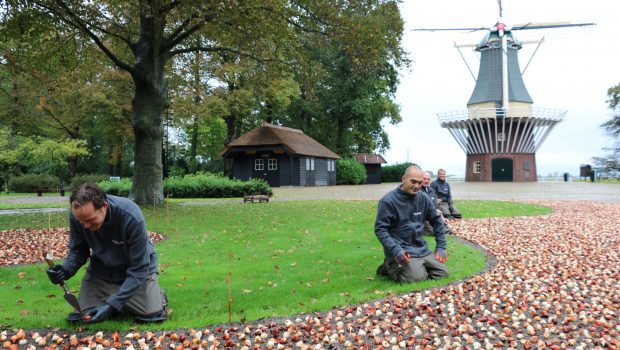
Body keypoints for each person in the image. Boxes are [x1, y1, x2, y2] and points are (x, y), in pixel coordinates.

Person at [46, 183, 167, 324]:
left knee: (150, 316)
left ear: (104, 206)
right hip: (102, 271)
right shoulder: (78, 215)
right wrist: (65, 270)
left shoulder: (131, 216)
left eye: (90, 220)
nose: (85, 226)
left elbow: (139, 268)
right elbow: (79, 251)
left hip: (137, 271)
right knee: (84, 315)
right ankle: (117, 299)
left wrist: (110, 306)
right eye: (81, 221)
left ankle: (158, 296)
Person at [374, 166, 449, 283]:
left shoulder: (423, 198)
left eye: (419, 183)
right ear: (403, 179)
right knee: (417, 278)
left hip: (421, 249)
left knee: (443, 273)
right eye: (413, 182)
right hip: (401, 251)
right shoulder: (388, 201)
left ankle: (414, 268)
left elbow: (437, 220)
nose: (417, 186)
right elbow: (380, 229)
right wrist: (396, 250)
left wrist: (441, 246)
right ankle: (389, 266)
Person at [420, 171, 454, 236]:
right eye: (424, 179)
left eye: (428, 179)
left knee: (446, 229)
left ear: (430, 180)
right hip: (422, 217)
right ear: (420, 179)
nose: (426, 181)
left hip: (432, 215)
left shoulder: (431, 191)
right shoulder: (417, 191)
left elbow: (436, 207)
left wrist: (442, 217)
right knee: (434, 232)